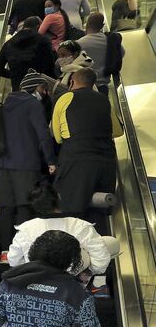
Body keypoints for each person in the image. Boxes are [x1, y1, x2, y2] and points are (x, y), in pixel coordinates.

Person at [9, 181, 113, 296]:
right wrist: (87, 274)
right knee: (108, 244)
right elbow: (101, 257)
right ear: (58, 197)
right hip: (71, 287)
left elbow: (14, 260)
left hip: (35, 286)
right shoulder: (80, 226)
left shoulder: (26, 229)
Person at [0, 71, 56, 262]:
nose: (44, 92)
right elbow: (43, 134)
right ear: (35, 87)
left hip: (3, 165)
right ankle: (24, 250)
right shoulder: (32, 104)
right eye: (42, 88)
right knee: (24, 206)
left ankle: (5, 252)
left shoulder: (4, 105)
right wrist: (51, 161)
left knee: (6, 207)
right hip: (26, 163)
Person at [52, 67, 117, 218]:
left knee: (72, 214)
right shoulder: (104, 99)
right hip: (106, 162)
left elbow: (57, 136)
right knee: (99, 213)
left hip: (77, 161)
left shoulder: (65, 97)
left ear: (72, 81)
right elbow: (118, 131)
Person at [0, 16, 56, 91]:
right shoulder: (43, 40)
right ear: (37, 27)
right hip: (38, 87)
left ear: (24, 26)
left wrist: (14, 75)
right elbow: (50, 66)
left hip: (18, 89)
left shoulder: (9, 43)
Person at [78, 12, 125, 95]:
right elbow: (122, 52)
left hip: (85, 85)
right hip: (103, 85)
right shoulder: (110, 41)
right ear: (102, 26)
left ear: (87, 25)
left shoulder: (80, 43)